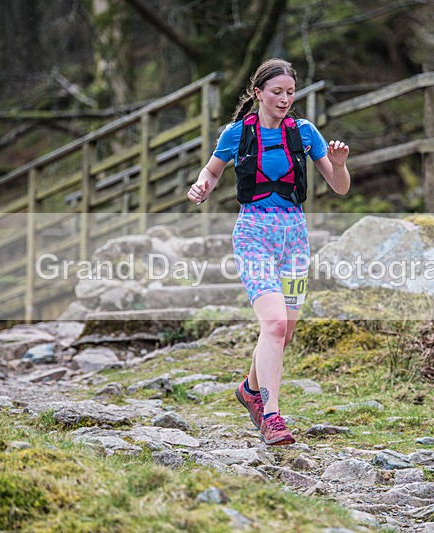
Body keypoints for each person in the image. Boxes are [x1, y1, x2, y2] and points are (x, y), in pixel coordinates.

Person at [187, 58, 350, 445]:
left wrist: (340, 165)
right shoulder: (237, 133)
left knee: (284, 332)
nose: (284, 99)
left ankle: (248, 389)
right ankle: (272, 416)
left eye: (290, 93)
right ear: (258, 93)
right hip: (253, 235)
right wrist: (201, 186)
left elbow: (340, 187)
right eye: (276, 92)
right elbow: (211, 171)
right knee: (274, 323)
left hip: (294, 237)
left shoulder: (305, 132)